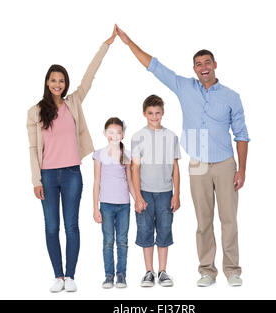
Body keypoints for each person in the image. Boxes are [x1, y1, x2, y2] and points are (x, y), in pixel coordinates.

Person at [116, 25, 250, 287]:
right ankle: (207, 271)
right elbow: (154, 66)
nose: (203, 67)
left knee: (229, 219)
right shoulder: (184, 86)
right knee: (203, 220)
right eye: (198, 64)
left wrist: (241, 169)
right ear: (194, 69)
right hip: (198, 163)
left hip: (224, 163)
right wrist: (128, 42)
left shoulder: (231, 96)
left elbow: (242, 135)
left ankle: (232, 269)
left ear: (214, 65)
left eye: (207, 62)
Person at [26, 26, 117, 293]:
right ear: (47, 82)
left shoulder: (73, 102)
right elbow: (32, 149)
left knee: (71, 226)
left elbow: (90, 76)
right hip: (47, 176)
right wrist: (35, 180)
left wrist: (106, 45)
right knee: (52, 227)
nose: (58, 84)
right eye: (54, 80)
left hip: (72, 173)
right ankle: (58, 276)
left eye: (62, 81)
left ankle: (71, 275)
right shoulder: (34, 112)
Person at [131, 95, 181, 287]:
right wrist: (138, 196)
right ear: (144, 114)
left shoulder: (171, 136)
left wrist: (176, 194)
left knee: (164, 230)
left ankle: (163, 271)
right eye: (150, 113)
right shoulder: (138, 137)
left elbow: (175, 167)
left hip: (165, 192)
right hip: (145, 192)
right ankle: (149, 272)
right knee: (145, 231)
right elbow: (135, 168)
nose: (154, 116)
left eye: (157, 113)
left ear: (163, 113)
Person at [92, 117, 136, 289]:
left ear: (122, 134)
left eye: (118, 132)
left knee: (123, 241)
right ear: (105, 134)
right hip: (106, 205)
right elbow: (96, 182)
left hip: (124, 205)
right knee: (108, 241)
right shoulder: (99, 154)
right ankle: (108, 275)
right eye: (111, 132)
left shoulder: (126, 154)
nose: (114, 135)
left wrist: (137, 200)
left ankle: (121, 275)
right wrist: (95, 208)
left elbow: (130, 181)